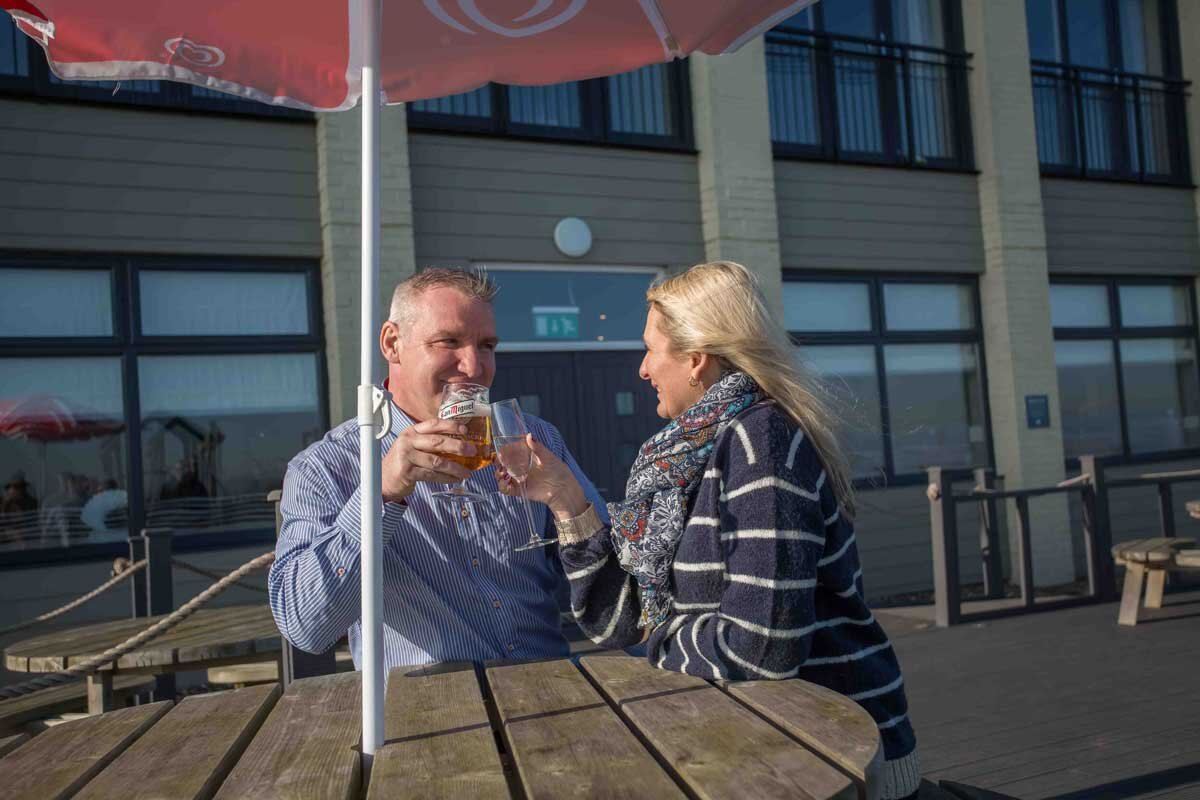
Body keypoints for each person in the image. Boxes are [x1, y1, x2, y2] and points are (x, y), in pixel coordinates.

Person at [497, 261, 920, 800]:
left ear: (696, 361)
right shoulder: (683, 461)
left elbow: (762, 649)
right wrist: (565, 499)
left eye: (651, 349)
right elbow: (621, 621)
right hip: (757, 744)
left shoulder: (761, 442)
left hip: (837, 759)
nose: (642, 369)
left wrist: (664, 634)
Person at [269, 268, 606, 670]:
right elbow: (305, 628)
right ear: (393, 344)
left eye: (487, 345)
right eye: (449, 341)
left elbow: (612, 586)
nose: (474, 366)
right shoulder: (328, 466)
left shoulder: (535, 441)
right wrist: (382, 491)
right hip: (430, 712)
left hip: (548, 687)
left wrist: (571, 512)